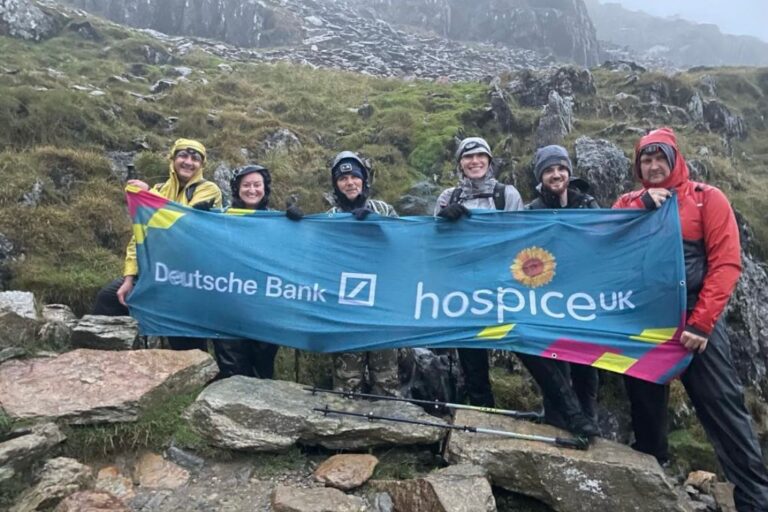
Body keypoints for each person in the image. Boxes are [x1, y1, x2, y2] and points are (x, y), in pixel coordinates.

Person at [614, 127, 768, 511]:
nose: (652, 166)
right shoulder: (627, 201)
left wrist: (701, 324)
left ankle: (754, 497)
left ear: (674, 158)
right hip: (644, 318)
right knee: (645, 405)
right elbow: (608, 243)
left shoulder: (707, 199)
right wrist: (642, 208)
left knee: (721, 404)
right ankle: (653, 485)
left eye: (659, 158)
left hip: (695, 320)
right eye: (645, 160)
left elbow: (726, 263)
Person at [435, 137, 599, 439]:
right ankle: (483, 427)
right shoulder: (449, 195)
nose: (474, 162)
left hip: (503, 287)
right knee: (472, 361)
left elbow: (520, 237)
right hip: (466, 290)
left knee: (530, 348)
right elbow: (436, 242)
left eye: (480, 156)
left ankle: (575, 416)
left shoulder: (506, 194)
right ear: (459, 163)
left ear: (489, 161)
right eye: (468, 157)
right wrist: (444, 221)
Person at [92, 138, 222, 351]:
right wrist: (129, 277)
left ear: (202, 165)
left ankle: (197, 377)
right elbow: (139, 236)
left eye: (195, 158)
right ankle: (96, 359)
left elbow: (182, 222)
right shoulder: (160, 190)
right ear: (172, 159)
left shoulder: (209, 190)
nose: (188, 162)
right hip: (155, 273)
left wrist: (146, 196)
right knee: (108, 298)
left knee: (184, 341)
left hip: (190, 278)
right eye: (183, 156)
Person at [525, 144, 600, 430]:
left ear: (569, 172)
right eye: (549, 170)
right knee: (550, 357)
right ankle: (562, 420)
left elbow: (605, 239)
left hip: (583, 295)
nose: (556, 175)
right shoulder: (532, 210)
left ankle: (589, 423)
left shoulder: (587, 204)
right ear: (540, 176)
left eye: (561, 168)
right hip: (547, 296)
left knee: (586, 362)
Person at [326, 150, 400, 395]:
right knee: (347, 381)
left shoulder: (384, 209)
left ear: (363, 179)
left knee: (387, 379)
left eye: (354, 177)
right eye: (343, 179)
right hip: (346, 307)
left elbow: (404, 246)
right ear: (336, 185)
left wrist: (377, 226)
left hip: (382, 306)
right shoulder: (329, 217)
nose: (349, 183)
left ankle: (392, 428)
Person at [212, 165, 280, 378]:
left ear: (265, 188)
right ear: (237, 189)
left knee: (263, 367)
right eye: (246, 185)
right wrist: (199, 216)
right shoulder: (222, 219)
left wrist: (296, 223)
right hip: (229, 305)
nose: (252, 190)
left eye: (257, 185)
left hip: (265, 305)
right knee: (232, 368)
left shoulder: (278, 222)